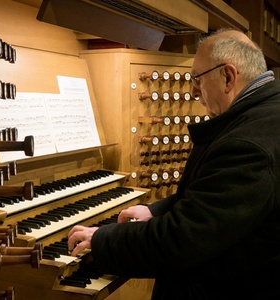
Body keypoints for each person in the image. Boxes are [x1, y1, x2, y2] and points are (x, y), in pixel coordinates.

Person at [68, 28, 280, 299]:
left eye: (197, 79)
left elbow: (183, 240)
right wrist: (156, 211)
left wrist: (102, 240)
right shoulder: (265, 113)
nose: (193, 92)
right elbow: (220, 199)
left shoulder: (250, 144)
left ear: (228, 77)